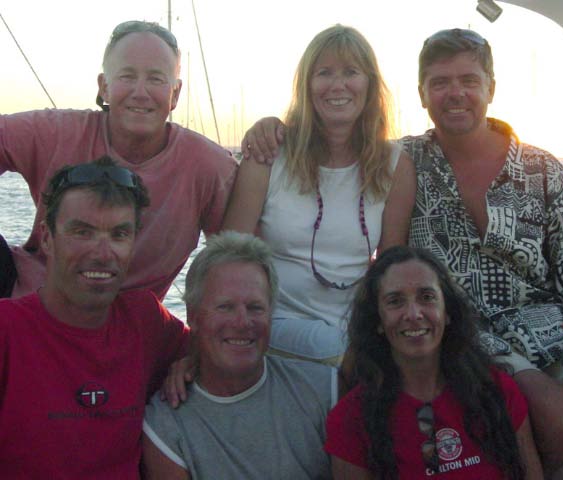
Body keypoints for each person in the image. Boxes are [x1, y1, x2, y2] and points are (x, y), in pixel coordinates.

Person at [239, 28, 563, 477]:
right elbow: (339, 151)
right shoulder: (408, 160)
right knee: (559, 417)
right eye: (440, 82)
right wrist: (269, 126)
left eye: (469, 80)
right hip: (460, 332)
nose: (455, 93)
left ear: (491, 88)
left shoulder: (541, 169)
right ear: (422, 94)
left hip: (550, 330)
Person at [0, 20, 237, 301]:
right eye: (127, 76)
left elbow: (239, 257)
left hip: (133, 320)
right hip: (27, 301)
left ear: (175, 93)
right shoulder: (55, 132)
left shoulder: (209, 166)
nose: (140, 92)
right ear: (104, 87)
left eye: (156, 79)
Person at [223, 25, 416, 365]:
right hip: (274, 323)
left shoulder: (394, 165)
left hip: (353, 330)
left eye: (351, 72)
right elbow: (227, 255)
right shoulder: (269, 154)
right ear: (306, 85)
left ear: (369, 84)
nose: (337, 85)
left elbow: (390, 267)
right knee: (332, 350)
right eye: (324, 73)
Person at [0, 156, 189, 478]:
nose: (102, 254)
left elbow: (212, 353)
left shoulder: (145, 320)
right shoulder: (8, 330)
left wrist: (190, 361)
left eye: (119, 235)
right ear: (46, 238)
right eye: (82, 232)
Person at [325, 245, 543, 479]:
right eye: (395, 301)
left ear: (447, 311)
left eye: (427, 297)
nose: (413, 314)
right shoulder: (350, 420)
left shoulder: (497, 392)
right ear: (377, 319)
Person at [141, 231, 337, 479]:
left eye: (255, 307)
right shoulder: (167, 424)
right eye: (225, 307)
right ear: (193, 315)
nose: (242, 322)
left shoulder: (324, 391)